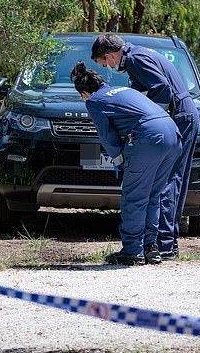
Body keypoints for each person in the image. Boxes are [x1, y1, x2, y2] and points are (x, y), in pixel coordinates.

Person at [91, 33, 199, 260]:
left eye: (104, 63)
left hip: (178, 116)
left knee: (169, 181)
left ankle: (164, 243)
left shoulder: (134, 59)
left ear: (110, 55)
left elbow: (162, 90)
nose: (108, 68)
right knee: (167, 181)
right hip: (178, 117)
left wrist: (152, 120)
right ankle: (161, 244)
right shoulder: (139, 54)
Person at [70, 61, 181, 266]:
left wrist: (119, 159)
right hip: (173, 135)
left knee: (134, 197)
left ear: (84, 92)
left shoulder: (94, 100)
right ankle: (150, 248)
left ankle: (132, 252)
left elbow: (107, 136)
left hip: (149, 139)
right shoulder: (122, 91)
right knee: (152, 195)